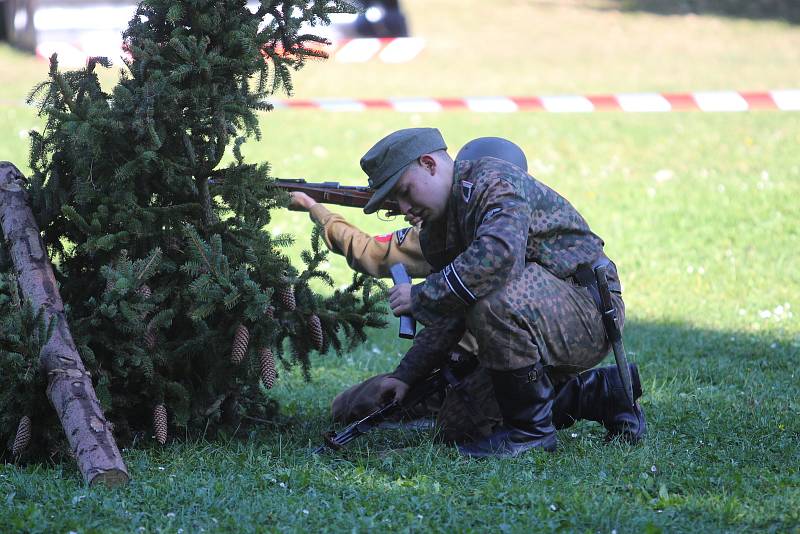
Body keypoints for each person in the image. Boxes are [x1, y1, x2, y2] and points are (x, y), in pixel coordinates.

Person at [290, 135, 646, 456]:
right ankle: (605, 393)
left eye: (403, 191)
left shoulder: (494, 181)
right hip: (536, 319)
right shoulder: (437, 228)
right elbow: (453, 309)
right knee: (459, 425)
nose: (403, 208)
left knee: (492, 298)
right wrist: (405, 375)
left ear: (429, 165)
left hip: (587, 310)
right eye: (394, 201)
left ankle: (530, 434)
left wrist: (421, 296)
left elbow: (498, 260)